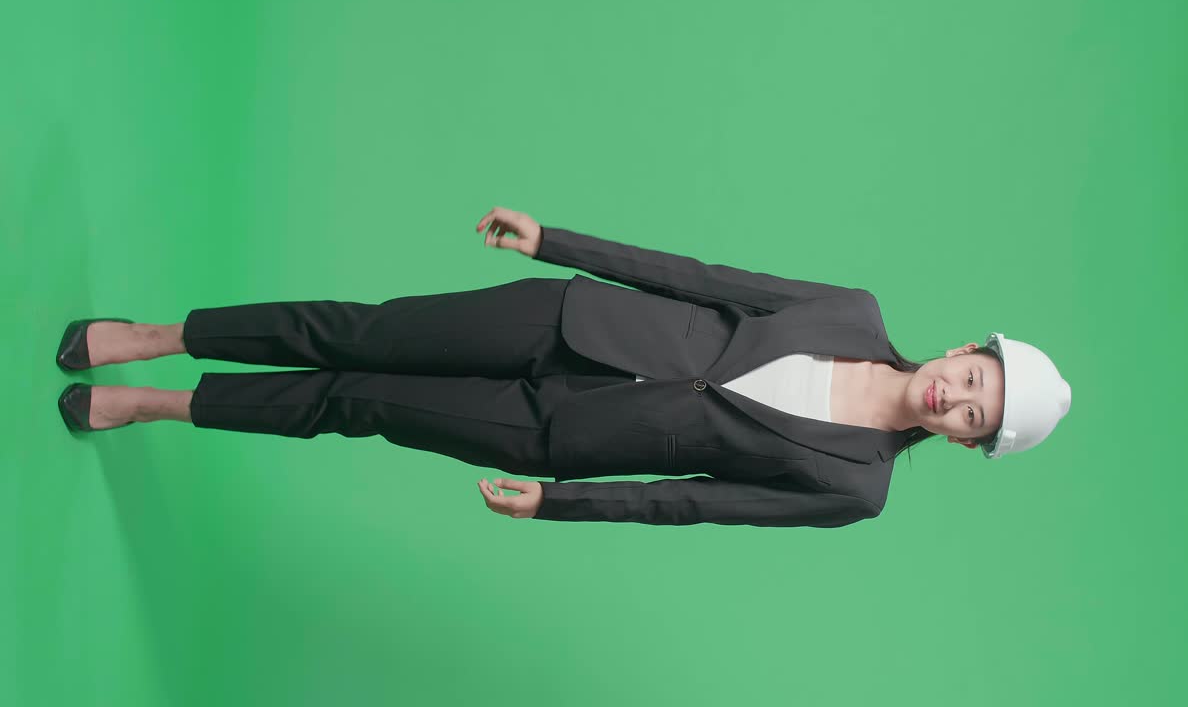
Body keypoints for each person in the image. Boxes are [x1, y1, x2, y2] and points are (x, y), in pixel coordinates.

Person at [55, 207, 1072, 527]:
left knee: (356, 404)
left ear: (965, 442)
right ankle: (162, 335)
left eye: (975, 419)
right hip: (565, 323)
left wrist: (559, 504)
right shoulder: (850, 309)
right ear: (961, 352)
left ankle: (160, 404)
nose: (958, 399)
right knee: (360, 332)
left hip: (562, 437)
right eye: (975, 379)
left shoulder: (857, 488)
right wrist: (555, 243)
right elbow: (695, 274)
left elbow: (700, 505)